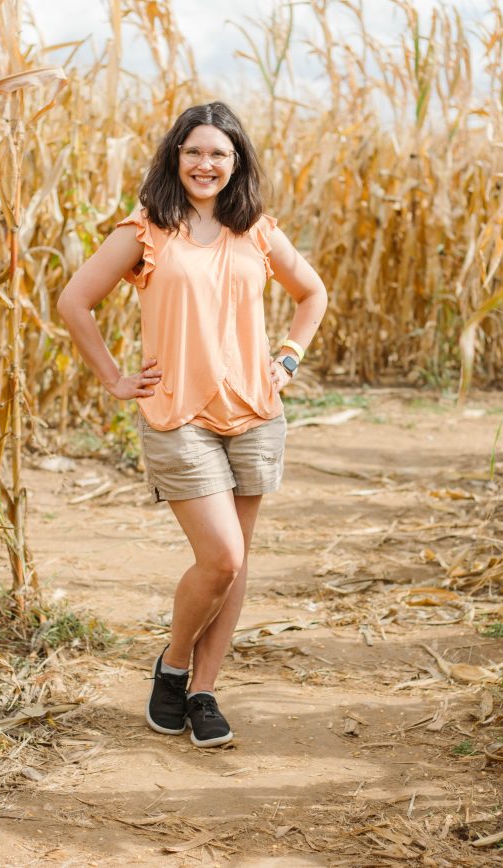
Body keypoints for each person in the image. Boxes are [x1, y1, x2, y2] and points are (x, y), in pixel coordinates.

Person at [57, 101, 327, 748]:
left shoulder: (256, 229)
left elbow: (311, 294)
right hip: (179, 415)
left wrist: (287, 358)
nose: (207, 164)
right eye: (195, 152)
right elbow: (74, 301)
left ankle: (204, 690)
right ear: (175, 158)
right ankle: (174, 664)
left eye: (220, 155)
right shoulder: (146, 230)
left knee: (237, 565)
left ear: (237, 165)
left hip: (256, 413)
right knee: (221, 555)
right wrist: (115, 379)